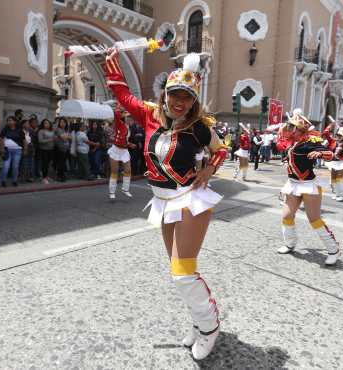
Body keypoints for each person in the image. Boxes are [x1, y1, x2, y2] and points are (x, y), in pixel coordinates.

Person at [105, 50, 227, 360]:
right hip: (162, 202)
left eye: (186, 96)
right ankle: (199, 324)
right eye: (175, 94)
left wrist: (210, 168)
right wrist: (112, 62)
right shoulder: (149, 115)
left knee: (183, 272)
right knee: (178, 272)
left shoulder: (200, 126)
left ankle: (210, 327)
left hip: (189, 199)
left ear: (193, 100)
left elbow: (221, 150)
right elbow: (121, 94)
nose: (179, 102)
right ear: (165, 95)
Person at [275, 113, 341, 266]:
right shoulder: (293, 142)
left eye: (293, 127)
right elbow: (280, 142)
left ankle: (334, 250)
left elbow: (330, 153)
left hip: (308, 185)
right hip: (293, 184)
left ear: (301, 130)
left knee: (314, 219)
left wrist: (321, 153)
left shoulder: (310, 142)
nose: (289, 129)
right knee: (286, 215)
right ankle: (290, 244)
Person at [107, 105, 134, 199]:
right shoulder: (119, 124)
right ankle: (112, 192)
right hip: (115, 150)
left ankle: (125, 189)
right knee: (114, 172)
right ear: (124, 118)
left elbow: (124, 140)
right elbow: (116, 114)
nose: (130, 120)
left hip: (124, 151)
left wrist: (130, 144)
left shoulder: (128, 128)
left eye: (131, 118)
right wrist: (120, 107)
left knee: (128, 170)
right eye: (128, 117)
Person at [325, 126, 343, 202]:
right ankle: (337, 193)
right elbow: (326, 134)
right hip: (334, 162)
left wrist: (339, 156)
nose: (338, 136)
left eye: (340, 135)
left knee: (339, 179)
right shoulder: (334, 142)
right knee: (333, 179)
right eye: (337, 135)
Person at [0, 116, 25, 187]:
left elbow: (24, 140)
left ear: (15, 122)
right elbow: (1, 139)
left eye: (11, 120)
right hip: (7, 150)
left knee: (15, 166)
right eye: (8, 120)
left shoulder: (19, 130)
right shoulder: (5, 130)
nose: (9, 122)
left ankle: (14, 180)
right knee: (5, 166)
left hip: (17, 150)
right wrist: (2, 149)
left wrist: (25, 149)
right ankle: (3, 181)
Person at [38, 119, 55, 184]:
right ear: (43, 124)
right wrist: (50, 139)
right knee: (44, 164)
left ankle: (47, 176)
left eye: (48, 123)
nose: (46, 124)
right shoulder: (41, 131)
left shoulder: (52, 131)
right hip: (43, 150)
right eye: (45, 123)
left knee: (49, 164)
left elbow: (54, 138)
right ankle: (44, 178)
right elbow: (40, 141)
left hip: (51, 149)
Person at [54, 117, 71, 182]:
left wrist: (66, 136)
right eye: (61, 122)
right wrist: (67, 137)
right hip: (60, 148)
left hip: (66, 149)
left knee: (63, 163)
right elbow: (63, 138)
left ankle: (62, 175)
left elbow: (71, 138)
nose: (62, 124)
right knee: (60, 163)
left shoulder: (66, 130)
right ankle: (60, 176)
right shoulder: (58, 129)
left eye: (64, 122)